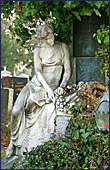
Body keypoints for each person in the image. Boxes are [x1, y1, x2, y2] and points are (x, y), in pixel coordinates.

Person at [5, 24, 71, 158]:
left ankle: (22, 141)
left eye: (52, 36)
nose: (51, 40)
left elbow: (68, 71)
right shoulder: (38, 50)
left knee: (32, 100)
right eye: (48, 38)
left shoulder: (62, 47)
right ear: (42, 39)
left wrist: (61, 87)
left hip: (52, 87)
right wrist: (48, 89)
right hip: (37, 84)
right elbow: (39, 72)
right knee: (17, 110)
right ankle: (14, 142)